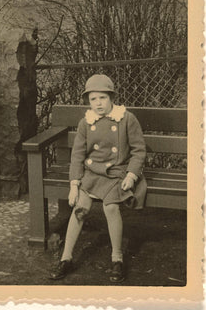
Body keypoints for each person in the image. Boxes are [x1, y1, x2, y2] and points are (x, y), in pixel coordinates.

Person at [49, 74, 147, 283]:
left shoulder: (126, 118)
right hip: (92, 174)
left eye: (102, 97)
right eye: (93, 99)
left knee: (110, 207)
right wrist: (74, 185)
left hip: (116, 173)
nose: (98, 103)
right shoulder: (86, 122)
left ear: (111, 97)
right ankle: (66, 258)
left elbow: (139, 150)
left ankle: (117, 258)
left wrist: (131, 174)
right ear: (88, 101)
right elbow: (77, 155)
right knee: (80, 209)